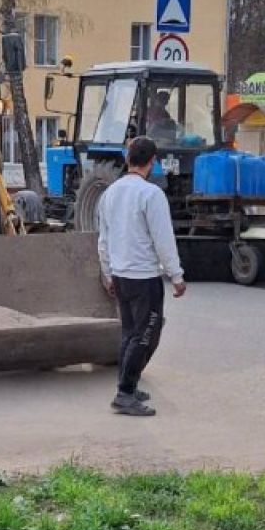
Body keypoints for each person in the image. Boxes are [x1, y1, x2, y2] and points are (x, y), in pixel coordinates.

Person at [97, 136, 186, 417]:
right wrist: (176, 275)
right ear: (153, 161)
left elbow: (104, 238)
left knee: (130, 333)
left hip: (121, 276)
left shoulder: (110, 193)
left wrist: (108, 273)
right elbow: (163, 239)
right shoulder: (151, 194)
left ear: (127, 160)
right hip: (144, 277)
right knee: (146, 334)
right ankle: (124, 394)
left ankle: (129, 384)